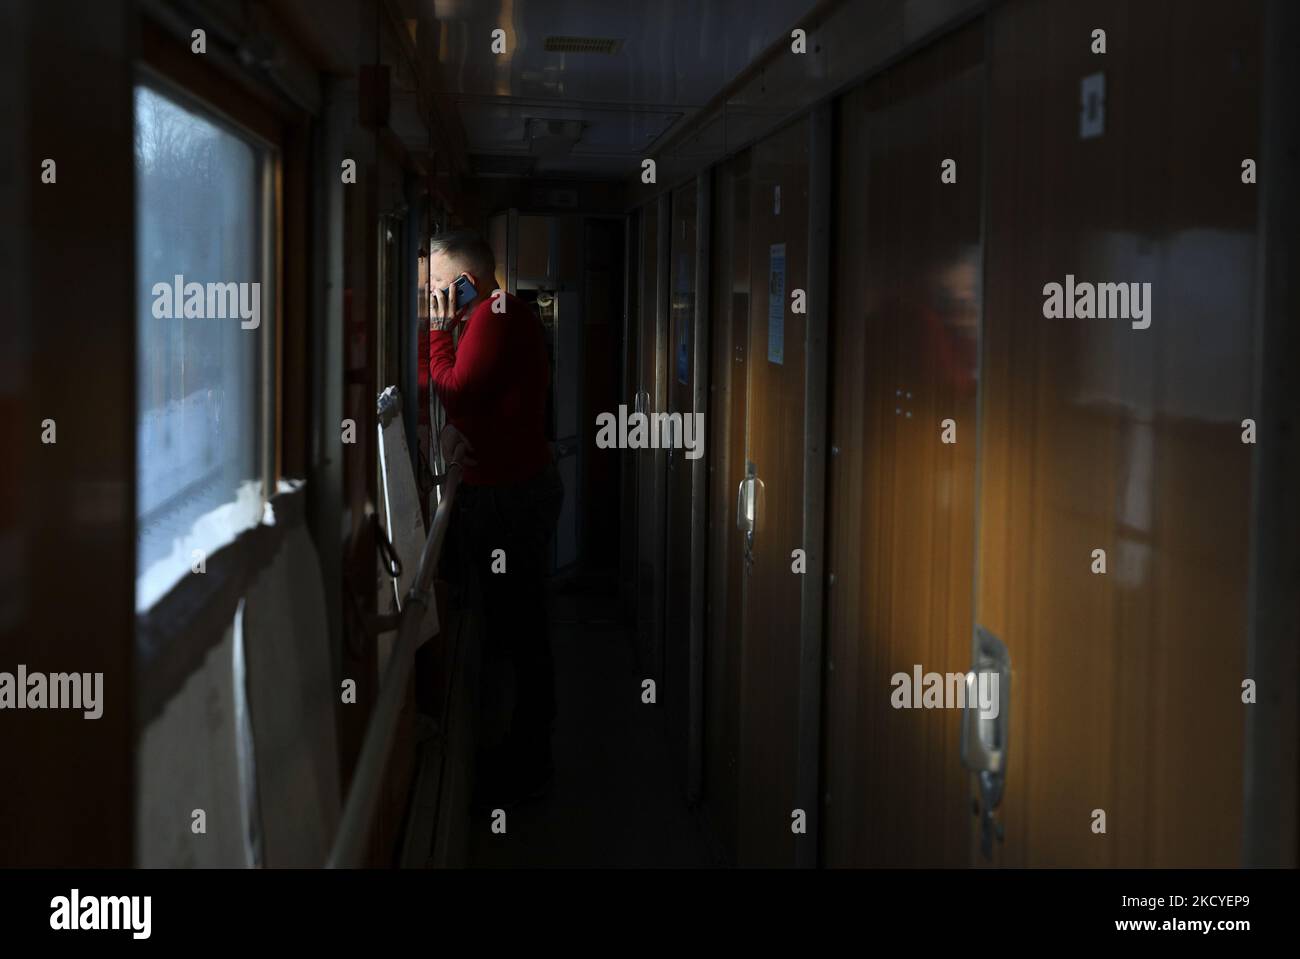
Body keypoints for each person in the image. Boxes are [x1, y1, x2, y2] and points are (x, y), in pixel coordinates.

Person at [427, 230, 563, 808]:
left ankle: (525, 760)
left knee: (520, 629)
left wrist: (437, 330)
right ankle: (518, 751)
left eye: (439, 287)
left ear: (466, 281)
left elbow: (456, 389)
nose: (435, 298)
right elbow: (480, 403)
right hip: (510, 489)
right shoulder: (492, 314)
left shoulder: (497, 312)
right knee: (512, 625)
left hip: (513, 499)